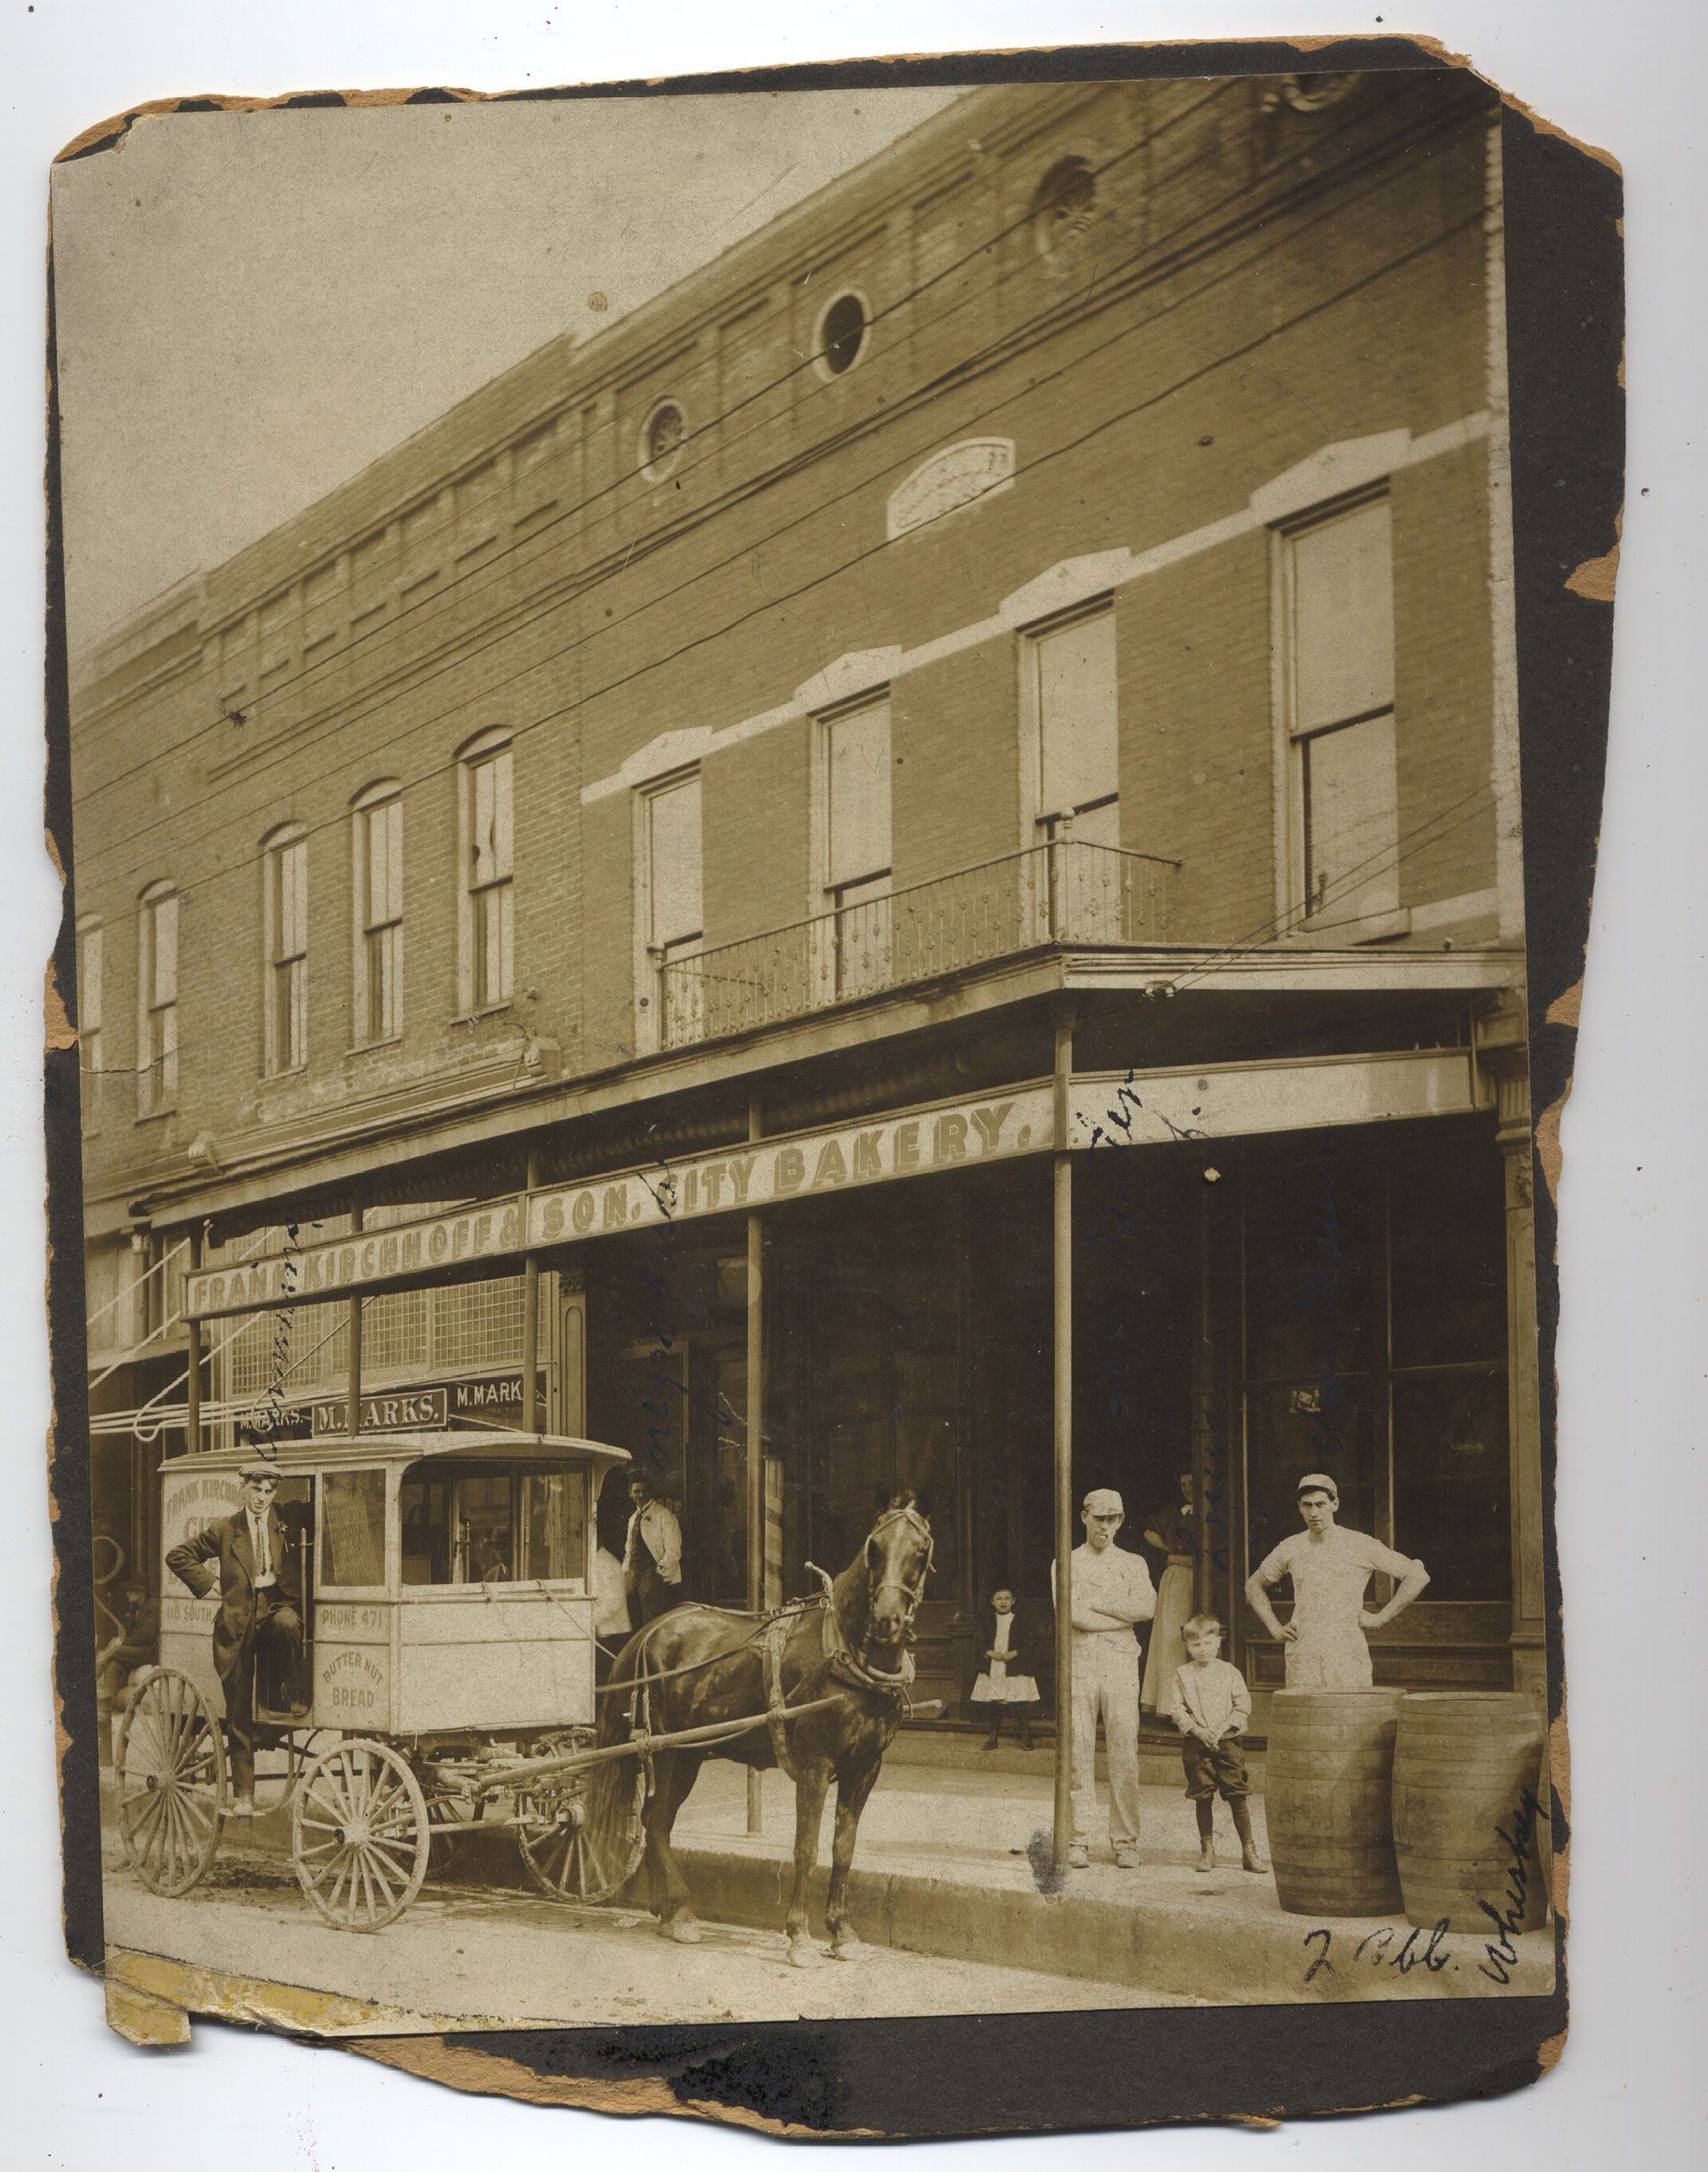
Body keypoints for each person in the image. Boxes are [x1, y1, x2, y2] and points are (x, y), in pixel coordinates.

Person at [165, 1460, 303, 1815]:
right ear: (243, 1488)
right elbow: (177, 1555)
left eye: (269, 1491)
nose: (261, 1497)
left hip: (274, 1607)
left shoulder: (285, 1521)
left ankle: (283, 1691)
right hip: (236, 1621)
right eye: (255, 1489)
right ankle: (244, 1795)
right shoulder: (226, 1529)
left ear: (276, 1493)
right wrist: (209, 1582)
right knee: (239, 1710)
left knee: (289, 1625)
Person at [1245, 1472, 1430, 1690]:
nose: (1314, 1512)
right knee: (1307, 1720)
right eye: (1308, 1505)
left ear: (1335, 1504)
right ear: (1299, 1507)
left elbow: (1417, 1576)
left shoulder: (1359, 1543)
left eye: (1321, 1504)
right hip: (1304, 1652)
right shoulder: (1291, 1547)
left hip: (1346, 1652)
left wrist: (1381, 1618)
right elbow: (1253, 1586)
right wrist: (1275, 1628)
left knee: (1349, 1717)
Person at [1052, 1486, 1156, 1869]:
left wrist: (1098, 1604)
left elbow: (1146, 1608)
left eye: (1114, 1519)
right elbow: (1071, 1614)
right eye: (1099, 1518)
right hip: (1080, 1660)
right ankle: (1079, 1838)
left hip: (1122, 1661)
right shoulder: (1065, 1562)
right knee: (1078, 1750)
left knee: (1125, 1752)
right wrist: (1119, 1614)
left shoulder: (1133, 1563)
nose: (1106, 1526)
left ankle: (1125, 1840)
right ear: (1083, 1517)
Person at [1167, 1613, 1265, 1873]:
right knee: (1203, 1796)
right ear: (1187, 1647)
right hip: (1196, 1744)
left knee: (1237, 1795)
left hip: (1227, 1742)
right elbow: (1177, 1709)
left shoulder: (1229, 1672)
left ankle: (1249, 1850)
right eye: (1196, 1645)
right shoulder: (1182, 1674)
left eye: (1208, 1643)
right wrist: (1198, 1731)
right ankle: (1207, 1850)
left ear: (1218, 1642)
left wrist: (1220, 1730)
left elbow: (1242, 1706)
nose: (1203, 1650)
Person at [1140, 1468, 1197, 1717]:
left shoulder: (1213, 1513)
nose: (1186, 1489)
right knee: (1173, 1637)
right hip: (1177, 1580)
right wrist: (1169, 1550)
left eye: (1191, 1483)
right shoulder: (1175, 1514)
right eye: (1182, 1484)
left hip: (1203, 1580)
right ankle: (1171, 1706)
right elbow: (1148, 1531)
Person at [969, 1584, 1041, 1750]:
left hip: (1014, 1667)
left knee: (1019, 1703)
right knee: (996, 1702)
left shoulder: (1021, 1620)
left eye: (1007, 1598)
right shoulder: (986, 1621)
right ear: (993, 1602)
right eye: (999, 1598)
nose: (1003, 1602)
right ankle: (993, 1738)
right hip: (994, 1666)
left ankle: (1026, 1737)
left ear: (1013, 1601)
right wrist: (991, 1653)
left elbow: (1031, 1643)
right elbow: (978, 1643)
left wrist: (1014, 1653)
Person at [96, 1580, 160, 1758]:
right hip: (138, 1649)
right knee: (113, 1663)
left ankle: (93, 1675)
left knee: (113, 1651)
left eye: (131, 1592)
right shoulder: (136, 1607)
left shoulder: (153, 1607)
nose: (127, 1595)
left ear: (141, 1593)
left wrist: (122, 1644)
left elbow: (145, 1636)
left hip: (149, 1652)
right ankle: (110, 1702)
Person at [622, 1471, 682, 1627]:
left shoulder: (664, 1516)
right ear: (630, 1493)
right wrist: (626, 1572)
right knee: (634, 1620)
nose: (641, 1495)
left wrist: (659, 1573)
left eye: (645, 1490)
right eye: (637, 1491)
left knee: (652, 1623)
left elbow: (673, 1549)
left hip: (653, 1577)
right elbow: (629, 1548)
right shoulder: (632, 1518)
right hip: (635, 1576)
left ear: (651, 1491)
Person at [592, 1542, 629, 1684]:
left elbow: (614, 1602)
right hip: (601, 1631)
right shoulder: (594, 1561)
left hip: (613, 1633)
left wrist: (590, 1619)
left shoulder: (608, 1563)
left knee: (609, 1681)